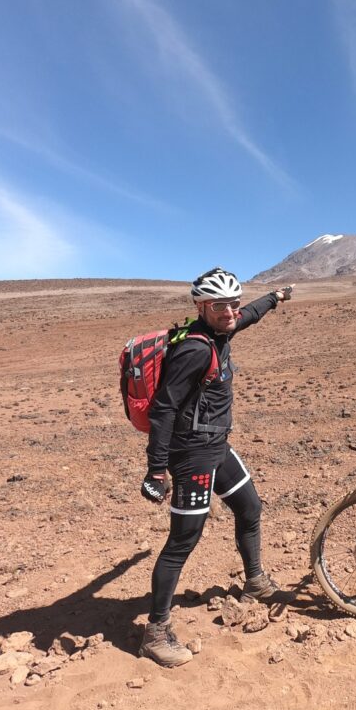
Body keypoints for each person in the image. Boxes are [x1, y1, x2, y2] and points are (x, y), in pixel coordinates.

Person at [138, 267, 292, 668]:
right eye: (219, 305)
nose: (230, 311)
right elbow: (163, 410)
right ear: (201, 307)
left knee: (249, 507)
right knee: (183, 540)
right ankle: (155, 633)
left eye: (233, 303)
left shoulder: (220, 333)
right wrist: (157, 470)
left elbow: (248, 316)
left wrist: (274, 298)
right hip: (192, 455)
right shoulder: (195, 350)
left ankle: (255, 582)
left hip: (216, 446)